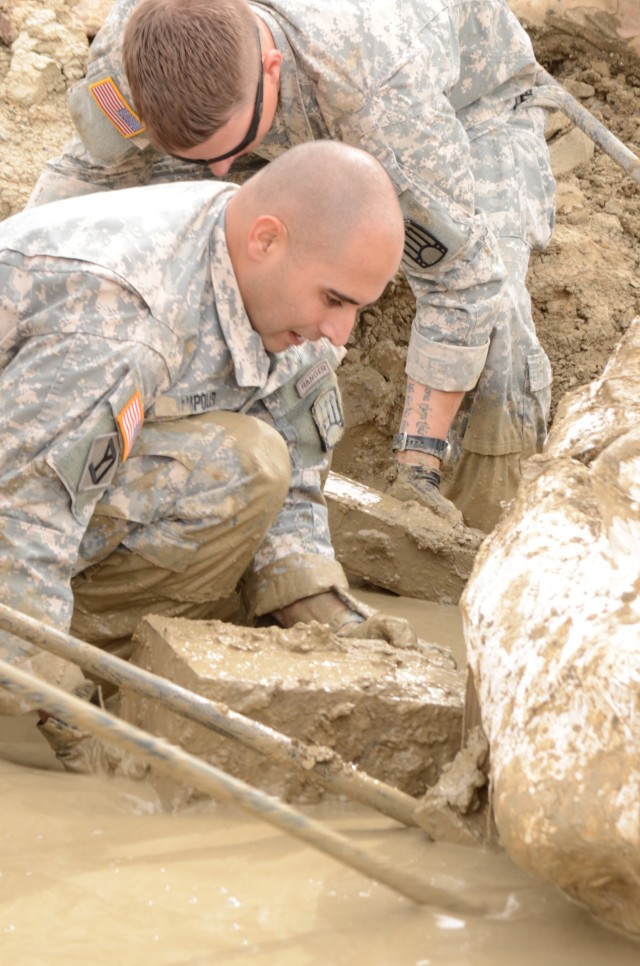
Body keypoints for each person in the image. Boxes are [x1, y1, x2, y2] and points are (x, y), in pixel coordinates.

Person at [26, 0, 557, 533]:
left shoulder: (384, 97)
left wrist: (415, 468)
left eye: (230, 153)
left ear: (271, 69)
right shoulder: (136, 46)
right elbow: (87, 176)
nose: (221, 175)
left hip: (472, 105)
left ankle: (500, 505)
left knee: (498, 304)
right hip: (282, 104)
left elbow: (462, 280)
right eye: (202, 158)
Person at [0, 139, 411, 772]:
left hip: (34, 489)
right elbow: (22, 517)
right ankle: (80, 661)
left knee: (259, 466)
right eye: (334, 300)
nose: (341, 331)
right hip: (17, 505)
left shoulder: (272, 279)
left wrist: (331, 619)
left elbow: (297, 474)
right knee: (238, 462)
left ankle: (112, 651)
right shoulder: (123, 317)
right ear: (266, 240)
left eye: (358, 307)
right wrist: (79, 724)